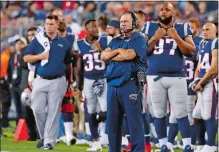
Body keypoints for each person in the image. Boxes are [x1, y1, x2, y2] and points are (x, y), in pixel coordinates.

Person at [141, 2, 195, 152]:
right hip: (154, 76)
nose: (163, 12)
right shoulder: (149, 27)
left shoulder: (182, 28)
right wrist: (154, 38)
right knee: (158, 113)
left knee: (181, 113)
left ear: (174, 13)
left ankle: (187, 145)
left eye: (167, 9)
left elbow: (191, 52)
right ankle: (164, 145)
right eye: (161, 9)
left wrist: (176, 37)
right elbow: (141, 52)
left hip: (177, 76)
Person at [23, 14, 73, 150]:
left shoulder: (64, 42)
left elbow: (69, 64)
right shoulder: (38, 40)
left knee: (53, 111)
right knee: (37, 109)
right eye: (46, 23)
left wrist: (70, 80)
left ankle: (49, 142)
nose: (48, 26)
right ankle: (45, 136)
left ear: (57, 25)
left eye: (51, 24)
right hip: (40, 80)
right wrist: (40, 56)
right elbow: (26, 58)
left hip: (58, 81)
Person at [101, 11, 147, 152]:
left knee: (134, 123)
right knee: (113, 124)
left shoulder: (139, 38)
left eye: (126, 21)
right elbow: (103, 56)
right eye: (121, 22)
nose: (122, 24)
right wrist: (119, 51)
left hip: (131, 83)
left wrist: (114, 54)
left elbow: (128, 56)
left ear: (134, 23)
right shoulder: (116, 40)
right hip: (113, 84)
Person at [74, 19, 112, 151]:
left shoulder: (105, 40)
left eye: (97, 26)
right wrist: (78, 87)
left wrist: (100, 50)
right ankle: (96, 142)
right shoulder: (80, 43)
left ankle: (104, 135)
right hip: (88, 81)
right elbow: (79, 68)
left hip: (104, 79)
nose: (96, 29)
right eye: (93, 27)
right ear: (86, 29)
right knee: (90, 111)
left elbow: (111, 61)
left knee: (106, 110)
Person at [167, 18, 203, 151]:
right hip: (177, 82)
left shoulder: (199, 44)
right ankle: (170, 143)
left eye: (192, 27)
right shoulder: (178, 41)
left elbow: (200, 67)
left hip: (189, 84)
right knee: (174, 115)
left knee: (189, 115)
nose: (189, 30)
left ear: (197, 29)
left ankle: (191, 144)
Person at [122, 10, 152, 152]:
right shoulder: (126, 37)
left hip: (141, 75)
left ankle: (146, 143)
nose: (136, 22)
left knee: (141, 110)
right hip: (126, 75)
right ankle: (130, 142)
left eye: (138, 19)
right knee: (127, 112)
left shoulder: (143, 37)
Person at [191, 23, 218, 152]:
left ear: (215, 31)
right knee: (197, 114)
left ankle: (211, 145)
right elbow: (199, 66)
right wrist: (197, 81)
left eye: (208, 29)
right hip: (202, 82)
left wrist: (201, 82)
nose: (204, 32)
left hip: (212, 82)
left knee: (209, 114)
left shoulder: (216, 43)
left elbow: (214, 69)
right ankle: (201, 144)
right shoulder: (202, 43)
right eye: (203, 30)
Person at [20, 27, 38, 141]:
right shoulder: (25, 49)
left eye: (33, 34)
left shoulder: (44, 47)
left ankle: (41, 133)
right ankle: (32, 134)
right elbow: (24, 62)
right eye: (30, 35)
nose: (31, 36)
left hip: (40, 79)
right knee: (27, 110)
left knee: (40, 108)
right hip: (28, 81)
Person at [8, 38, 27, 125]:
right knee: (17, 107)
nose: (18, 45)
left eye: (20, 43)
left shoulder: (25, 56)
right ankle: (19, 128)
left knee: (24, 107)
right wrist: (9, 82)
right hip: (14, 85)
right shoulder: (12, 56)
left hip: (22, 85)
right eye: (17, 44)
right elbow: (9, 70)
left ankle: (26, 127)